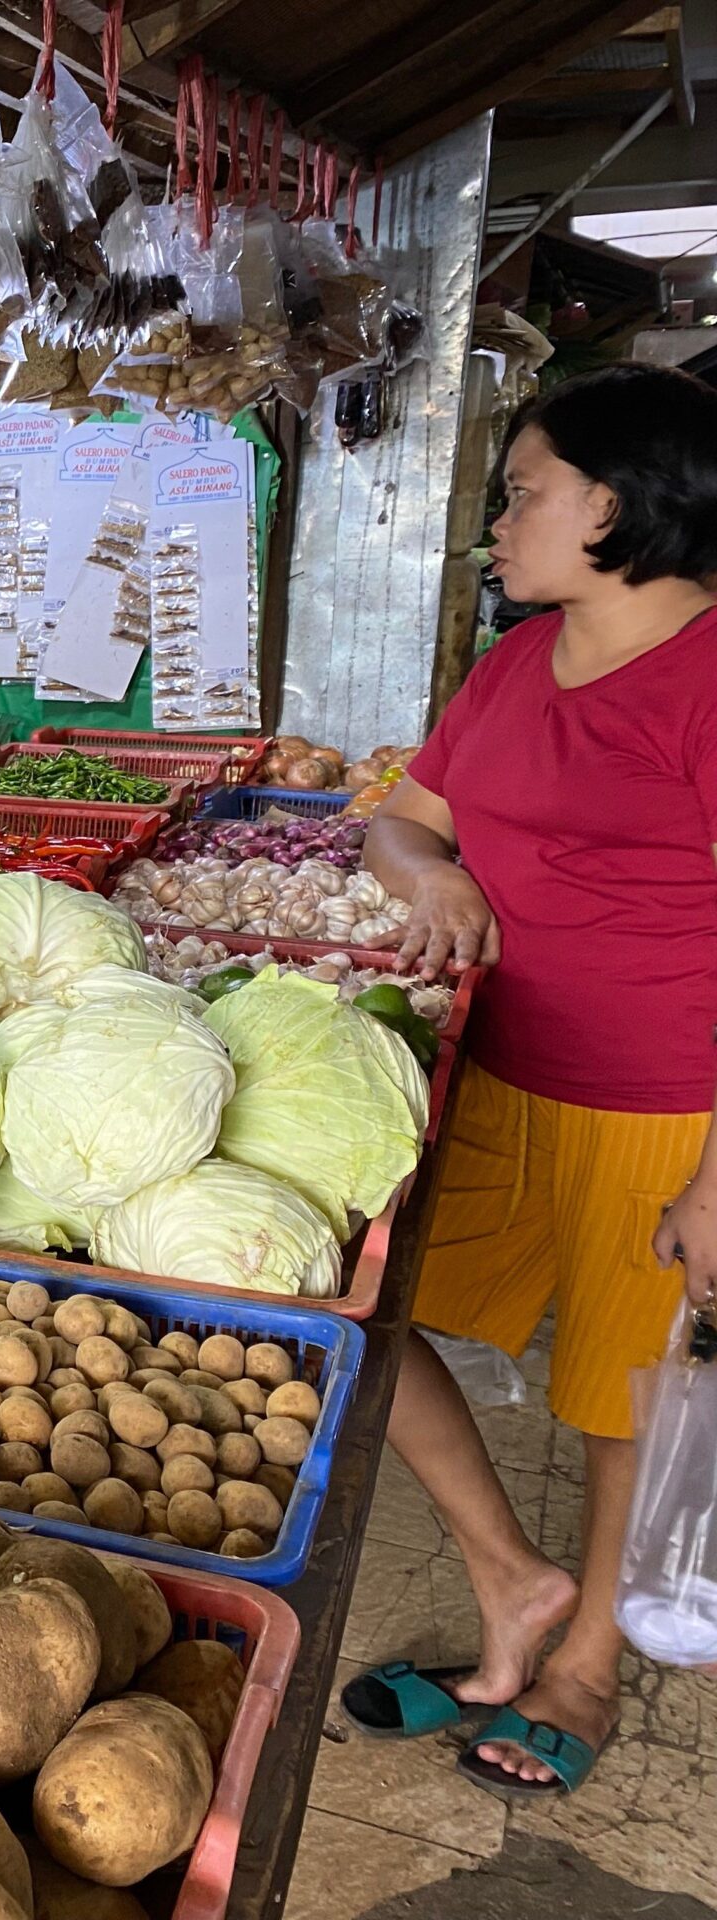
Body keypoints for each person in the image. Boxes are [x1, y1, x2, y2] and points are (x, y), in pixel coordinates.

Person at [341, 363, 717, 1801]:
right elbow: (398, 823)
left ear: (615, 508)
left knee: (625, 1398)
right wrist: (430, 873)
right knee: (369, 1316)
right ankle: (513, 1582)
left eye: (523, 493)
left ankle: (584, 1670)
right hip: (493, 1080)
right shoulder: (513, 661)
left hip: (664, 1105)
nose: (497, 525)